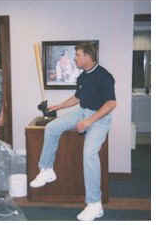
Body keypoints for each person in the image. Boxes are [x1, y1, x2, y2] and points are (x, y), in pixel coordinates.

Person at [29, 42, 117, 221]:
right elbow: (78, 98)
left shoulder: (104, 76)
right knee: (52, 127)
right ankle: (46, 170)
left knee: (89, 153)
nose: (75, 58)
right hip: (82, 111)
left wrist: (89, 121)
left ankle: (94, 204)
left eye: (77, 55)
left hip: (99, 119)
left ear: (87, 56)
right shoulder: (82, 76)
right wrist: (59, 106)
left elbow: (111, 104)